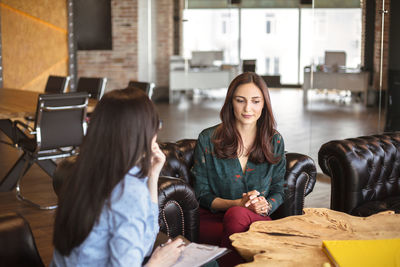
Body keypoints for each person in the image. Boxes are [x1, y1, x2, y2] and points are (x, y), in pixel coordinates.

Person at [51, 88, 184, 267]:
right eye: (156, 125)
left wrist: (153, 176)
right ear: (142, 132)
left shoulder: (83, 171)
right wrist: (159, 262)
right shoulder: (127, 189)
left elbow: (144, 243)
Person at [191, 72, 286, 266]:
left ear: (264, 105)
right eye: (240, 100)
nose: (247, 108)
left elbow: (279, 190)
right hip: (215, 218)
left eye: (255, 101)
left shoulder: (274, 140)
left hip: (256, 218)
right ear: (230, 103)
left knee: (241, 216)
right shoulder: (208, 139)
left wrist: (265, 206)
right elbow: (201, 194)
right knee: (237, 214)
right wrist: (236, 204)